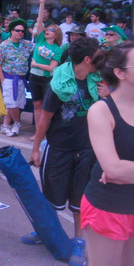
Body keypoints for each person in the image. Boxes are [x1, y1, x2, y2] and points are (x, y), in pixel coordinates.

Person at [28, 37, 107, 266]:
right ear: (87, 59)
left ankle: (78, 244)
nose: (102, 58)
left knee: (80, 200)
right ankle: (46, 233)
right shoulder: (58, 83)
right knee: (50, 197)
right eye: (98, 55)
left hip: (86, 149)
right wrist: (36, 148)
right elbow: (45, 118)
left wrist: (107, 96)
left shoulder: (99, 81)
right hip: (59, 148)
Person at [82, 41, 134, 266]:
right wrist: (117, 170)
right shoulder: (101, 110)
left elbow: (119, 170)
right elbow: (113, 169)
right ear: (120, 73)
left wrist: (125, 170)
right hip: (109, 207)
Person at [29, 0, 63, 140]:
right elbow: (40, 21)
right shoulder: (40, 40)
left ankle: (46, 132)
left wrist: (36, 64)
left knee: (46, 107)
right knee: (36, 105)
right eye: (47, 30)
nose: (47, 31)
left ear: (56, 35)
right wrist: (42, 2)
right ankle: (38, 133)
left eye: (50, 31)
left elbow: (52, 68)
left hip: (46, 79)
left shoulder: (57, 49)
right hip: (34, 77)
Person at [0, 17, 34, 137]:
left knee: (18, 103)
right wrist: (2, 80)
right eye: (17, 30)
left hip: (21, 78)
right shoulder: (4, 45)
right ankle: (16, 123)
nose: (20, 33)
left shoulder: (27, 45)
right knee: (11, 104)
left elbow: (40, 45)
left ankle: (6, 125)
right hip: (9, 78)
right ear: (11, 31)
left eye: (22, 31)